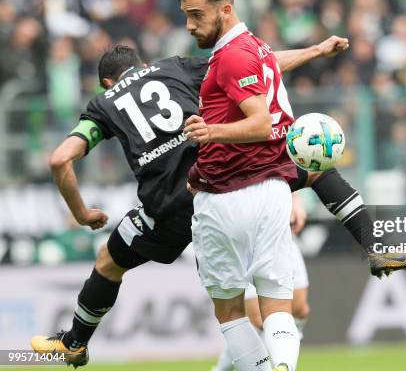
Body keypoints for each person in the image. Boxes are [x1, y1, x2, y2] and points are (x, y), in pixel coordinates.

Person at [29, 36, 350, 367]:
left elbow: (59, 160)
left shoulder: (104, 102)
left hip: (168, 210)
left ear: (107, 83)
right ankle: (375, 241)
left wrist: (82, 213)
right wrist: (316, 51)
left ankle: (75, 341)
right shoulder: (174, 67)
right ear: (141, 65)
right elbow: (259, 65)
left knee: (110, 262)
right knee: (314, 175)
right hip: (220, 185)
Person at [175, 0, 305, 370]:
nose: (190, 25)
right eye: (186, 15)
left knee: (230, 309)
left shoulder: (231, 56)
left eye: (197, 15)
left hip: (228, 194)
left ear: (226, 9)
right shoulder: (257, 49)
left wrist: (209, 130)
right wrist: (316, 51)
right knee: (278, 299)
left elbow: (261, 122)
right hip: (271, 190)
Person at [212, 192, 310, 371]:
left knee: (300, 308)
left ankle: (279, 362)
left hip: (278, 227)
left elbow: (286, 166)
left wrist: (295, 197)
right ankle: (225, 368)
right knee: (257, 317)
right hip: (240, 228)